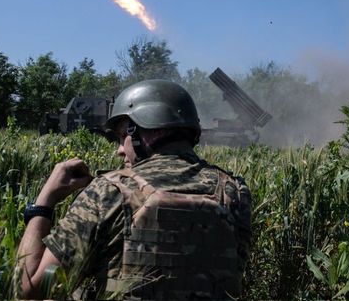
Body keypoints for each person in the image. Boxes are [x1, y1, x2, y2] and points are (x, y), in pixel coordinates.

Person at [17, 79, 252, 299]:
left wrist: (43, 203)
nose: (119, 150)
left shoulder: (106, 192)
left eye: (122, 137)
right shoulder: (235, 191)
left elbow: (30, 289)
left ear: (150, 128)